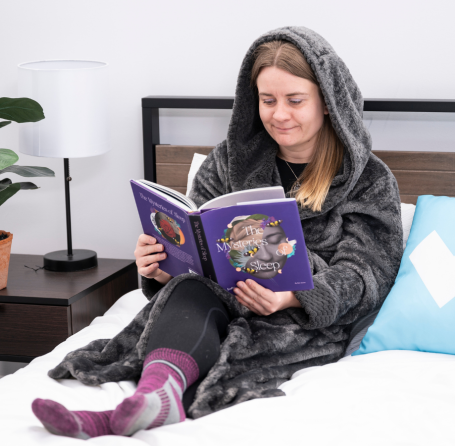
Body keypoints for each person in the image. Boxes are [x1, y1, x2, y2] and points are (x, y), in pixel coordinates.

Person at [32, 26, 403, 439]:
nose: (279, 114)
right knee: (187, 292)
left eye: (295, 100)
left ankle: (125, 414)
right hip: (222, 294)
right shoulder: (227, 163)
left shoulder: (369, 179)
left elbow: (369, 271)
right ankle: (152, 400)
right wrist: (160, 267)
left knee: (242, 335)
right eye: (268, 100)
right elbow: (200, 243)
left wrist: (293, 294)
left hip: (300, 316)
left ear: (329, 102)